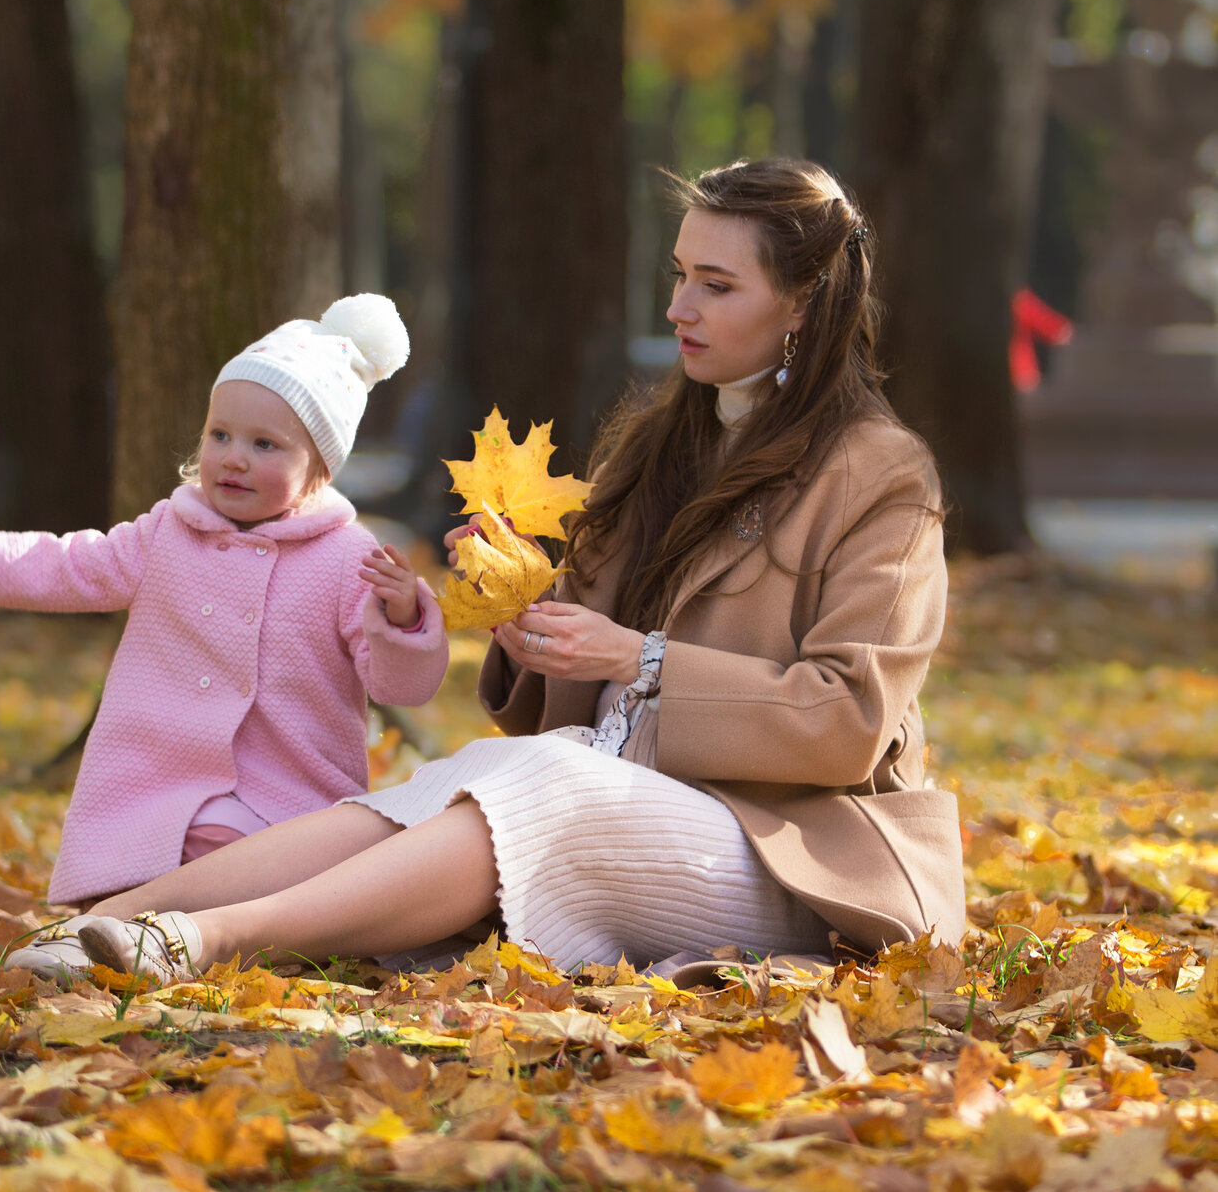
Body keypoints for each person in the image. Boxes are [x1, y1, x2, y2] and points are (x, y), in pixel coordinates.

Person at [55, 158, 967, 985]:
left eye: (716, 285)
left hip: (786, 851)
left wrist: (637, 659)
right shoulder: (658, 447)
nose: (678, 307)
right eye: (679, 275)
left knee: (545, 781)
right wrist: (520, 607)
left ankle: (202, 942)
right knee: (466, 774)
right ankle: (110, 923)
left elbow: (849, 719)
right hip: (611, 790)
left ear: (803, 302)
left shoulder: (881, 474)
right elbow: (564, 691)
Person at [0, 294, 449, 978]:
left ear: (320, 467)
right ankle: (114, 938)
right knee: (149, 857)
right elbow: (59, 565)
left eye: (265, 445)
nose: (233, 458)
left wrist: (405, 617)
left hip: (279, 800)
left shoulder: (348, 558)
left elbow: (400, 684)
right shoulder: (167, 532)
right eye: (219, 435)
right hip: (156, 788)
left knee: (245, 867)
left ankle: (173, 937)